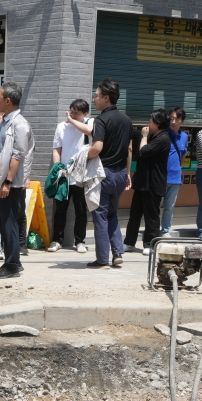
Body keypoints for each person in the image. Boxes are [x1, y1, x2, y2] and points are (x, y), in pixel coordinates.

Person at [0, 83, 35, 280]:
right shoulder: (6, 121)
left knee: (9, 221)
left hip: (9, 181)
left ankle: (12, 265)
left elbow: (18, 155)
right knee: (2, 220)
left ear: (8, 100)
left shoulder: (20, 125)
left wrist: (7, 182)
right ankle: (12, 259)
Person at [86, 80, 132, 269]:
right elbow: (129, 149)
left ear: (106, 98)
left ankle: (102, 258)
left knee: (101, 216)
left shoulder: (101, 120)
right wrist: (128, 173)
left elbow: (97, 147)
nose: (94, 99)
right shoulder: (127, 120)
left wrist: (81, 157)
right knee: (112, 214)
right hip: (121, 174)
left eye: (96, 96)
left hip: (103, 174)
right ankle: (118, 253)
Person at [48, 99, 92, 253]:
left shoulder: (89, 125)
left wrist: (73, 122)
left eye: (76, 113)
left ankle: (80, 241)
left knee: (81, 210)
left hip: (81, 176)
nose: (72, 115)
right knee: (60, 209)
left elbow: (89, 132)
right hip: (64, 175)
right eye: (71, 111)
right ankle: (56, 240)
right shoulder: (61, 126)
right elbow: (56, 149)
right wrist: (58, 167)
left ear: (85, 114)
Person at [126, 110, 172, 249]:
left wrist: (144, 137)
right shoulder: (153, 136)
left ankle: (149, 244)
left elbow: (143, 152)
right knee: (135, 213)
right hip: (142, 181)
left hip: (154, 182)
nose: (148, 124)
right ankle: (129, 242)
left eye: (151, 121)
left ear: (158, 123)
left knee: (151, 216)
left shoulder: (163, 138)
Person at [162, 107, 188, 234]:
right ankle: (153, 230)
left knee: (169, 207)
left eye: (177, 119)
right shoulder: (163, 133)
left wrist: (179, 168)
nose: (173, 121)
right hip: (161, 176)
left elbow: (183, 154)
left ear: (182, 121)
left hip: (175, 178)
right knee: (156, 206)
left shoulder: (184, 136)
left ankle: (165, 231)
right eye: (171, 118)